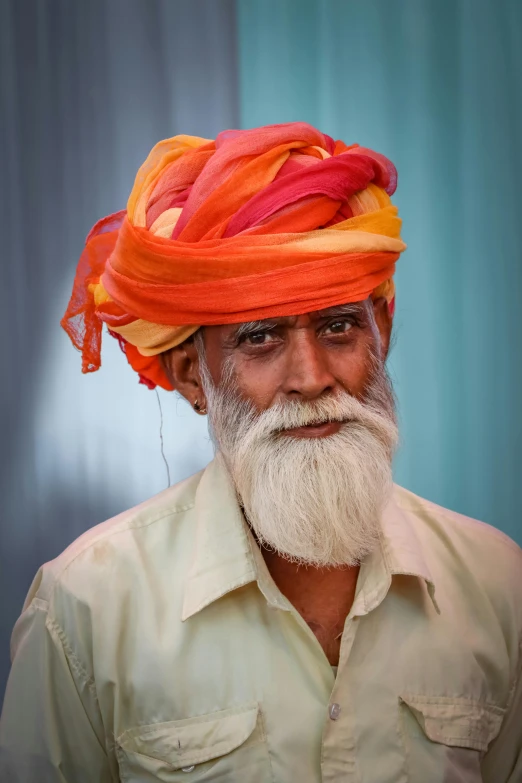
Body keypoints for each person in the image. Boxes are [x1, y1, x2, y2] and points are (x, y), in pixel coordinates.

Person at [1, 122, 521, 782]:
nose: (310, 376)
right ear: (194, 375)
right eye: (261, 340)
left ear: (381, 331)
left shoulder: (498, 587)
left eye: (338, 327)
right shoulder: (87, 610)